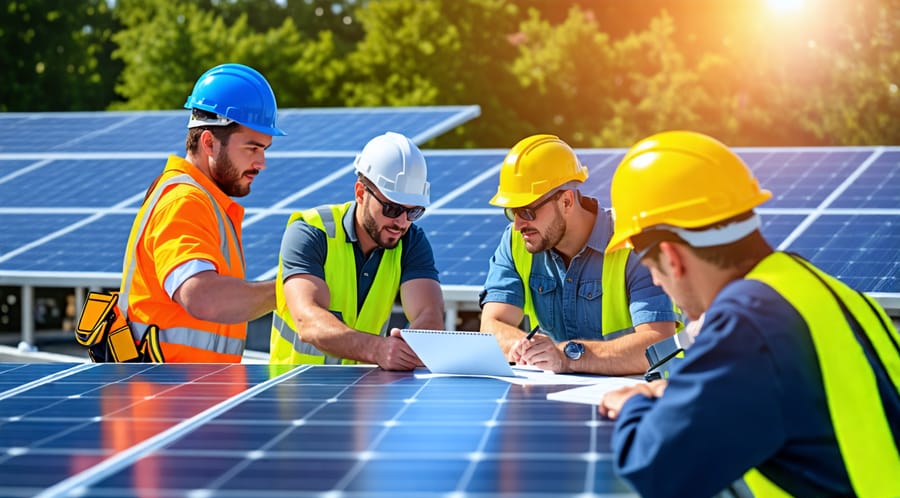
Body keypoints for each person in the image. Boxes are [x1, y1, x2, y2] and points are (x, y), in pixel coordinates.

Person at [599, 130, 900, 498]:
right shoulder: (819, 288)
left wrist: (634, 404)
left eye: (649, 267)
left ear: (672, 258)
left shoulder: (748, 320)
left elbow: (657, 471)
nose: (656, 282)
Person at [118, 63, 285, 363]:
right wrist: (287, 291)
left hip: (186, 398)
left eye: (265, 149)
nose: (262, 163)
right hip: (165, 402)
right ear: (209, 142)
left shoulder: (205, 202)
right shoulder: (185, 200)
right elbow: (200, 296)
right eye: (252, 148)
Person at [479, 134, 680, 375]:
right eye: (512, 212)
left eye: (527, 211)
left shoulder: (631, 241)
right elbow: (492, 326)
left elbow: (659, 343)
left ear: (566, 201)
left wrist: (567, 357)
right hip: (555, 397)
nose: (520, 224)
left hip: (638, 398)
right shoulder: (516, 241)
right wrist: (526, 349)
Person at [269, 132, 445, 370]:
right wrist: (378, 349)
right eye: (392, 209)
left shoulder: (411, 241)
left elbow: (429, 313)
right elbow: (307, 320)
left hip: (363, 397)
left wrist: (410, 346)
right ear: (361, 193)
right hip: (294, 391)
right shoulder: (309, 232)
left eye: (414, 212)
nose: (402, 222)